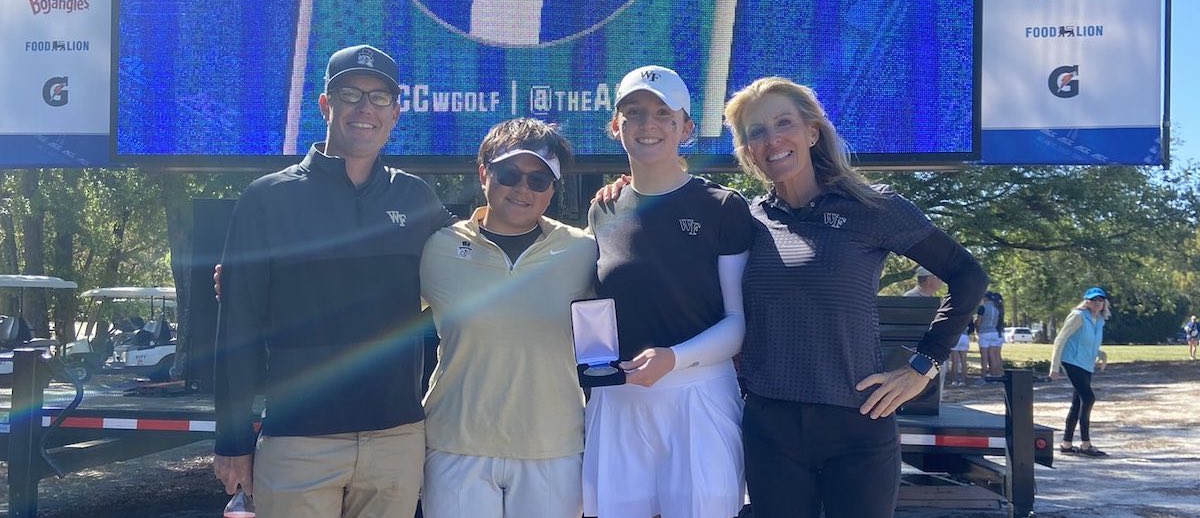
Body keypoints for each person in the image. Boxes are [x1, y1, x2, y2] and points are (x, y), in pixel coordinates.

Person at [722, 76, 987, 518]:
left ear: (812, 132)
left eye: (784, 123)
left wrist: (923, 367)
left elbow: (969, 277)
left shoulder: (872, 207)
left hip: (859, 424)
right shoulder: (745, 222)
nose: (772, 139)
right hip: (770, 427)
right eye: (756, 131)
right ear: (747, 149)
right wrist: (624, 193)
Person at [213, 44, 454, 518]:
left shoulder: (416, 197)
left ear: (395, 113)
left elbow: (481, 249)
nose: (365, 108)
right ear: (325, 104)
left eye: (379, 97)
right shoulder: (267, 199)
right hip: (299, 441)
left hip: (395, 438)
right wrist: (233, 441)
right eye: (350, 94)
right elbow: (236, 331)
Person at [586, 65, 755, 518]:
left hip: (699, 398)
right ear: (616, 126)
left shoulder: (722, 207)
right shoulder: (602, 210)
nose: (649, 124)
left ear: (686, 128)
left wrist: (674, 359)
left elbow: (737, 323)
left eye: (664, 113)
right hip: (617, 400)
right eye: (635, 112)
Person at [419, 119, 598, 518]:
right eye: (509, 174)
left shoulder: (583, 249)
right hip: (455, 446)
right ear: (484, 173)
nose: (523, 189)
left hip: (553, 448)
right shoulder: (438, 248)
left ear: (553, 188)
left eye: (539, 180)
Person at [1050, 287, 1111, 458]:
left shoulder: (1100, 320)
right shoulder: (1078, 316)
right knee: (1089, 398)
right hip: (1071, 361)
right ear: (1087, 301)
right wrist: (1054, 367)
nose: (1097, 303)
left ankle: (1066, 444)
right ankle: (1086, 444)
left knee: (1077, 403)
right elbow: (1060, 339)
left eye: (1100, 300)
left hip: (1086, 364)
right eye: (1093, 300)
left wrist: (1101, 354)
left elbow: (1089, 343)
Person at [976, 291, 1005, 383]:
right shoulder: (996, 308)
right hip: (994, 332)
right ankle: (995, 376)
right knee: (994, 356)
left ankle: (983, 377)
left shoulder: (982, 307)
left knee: (984, 356)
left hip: (984, 332)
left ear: (985, 298)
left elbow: (979, 322)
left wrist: (977, 329)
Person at [946, 320, 972, 387]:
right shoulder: (967, 315)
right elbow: (971, 326)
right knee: (964, 361)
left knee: (955, 362)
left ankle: (954, 380)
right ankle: (963, 380)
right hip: (965, 336)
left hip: (956, 336)